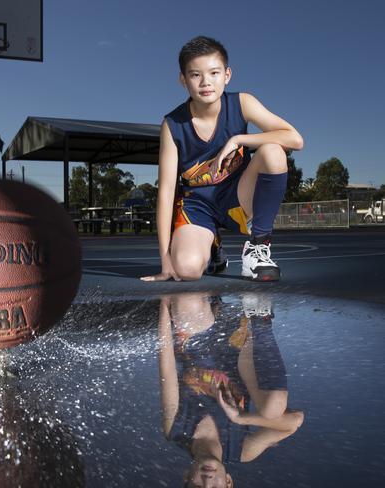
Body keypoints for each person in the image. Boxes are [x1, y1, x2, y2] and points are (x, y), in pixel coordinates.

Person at [141, 36, 304, 282]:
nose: (206, 82)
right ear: (183, 80)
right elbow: (165, 193)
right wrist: (165, 259)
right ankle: (212, 244)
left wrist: (239, 140)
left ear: (227, 75)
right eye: (195, 75)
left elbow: (295, 139)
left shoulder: (242, 103)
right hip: (198, 206)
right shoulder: (172, 125)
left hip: (237, 195)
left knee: (273, 151)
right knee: (186, 270)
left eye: (214, 73)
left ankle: (257, 247)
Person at [157, 292, 304, 487]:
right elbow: (294, 421)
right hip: (243, 348)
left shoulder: (176, 431)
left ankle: (210, 275)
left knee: (186, 298)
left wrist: (164, 306)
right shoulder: (243, 450)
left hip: (196, 340)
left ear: (186, 477)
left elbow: (166, 369)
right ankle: (260, 318)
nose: (208, 481)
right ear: (228, 482)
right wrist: (239, 418)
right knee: (273, 409)